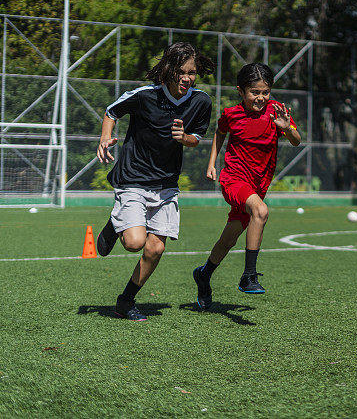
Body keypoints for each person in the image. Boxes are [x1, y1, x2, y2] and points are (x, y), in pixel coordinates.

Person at [95, 42, 214, 321]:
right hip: (133, 178)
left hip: (166, 184)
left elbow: (197, 138)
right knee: (135, 242)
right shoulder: (145, 96)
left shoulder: (201, 102)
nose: (187, 78)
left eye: (192, 72)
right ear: (169, 70)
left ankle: (126, 301)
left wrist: (184, 139)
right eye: (182, 72)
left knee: (156, 248)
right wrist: (104, 137)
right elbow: (111, 112)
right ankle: (115, 224)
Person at [192, 63, 302, 310]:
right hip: (234, 178)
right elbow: (220, 133)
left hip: (258, 184)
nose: (261, 98)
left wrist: (287, 129)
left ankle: (204, 273)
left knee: (228, 239)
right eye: (255, 92)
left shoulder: (277, 111)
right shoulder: (232, 114)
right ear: (241, 91)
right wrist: (212, 163)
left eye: (265, 92)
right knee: (260, 211)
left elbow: (297, 140)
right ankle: (248, 276)